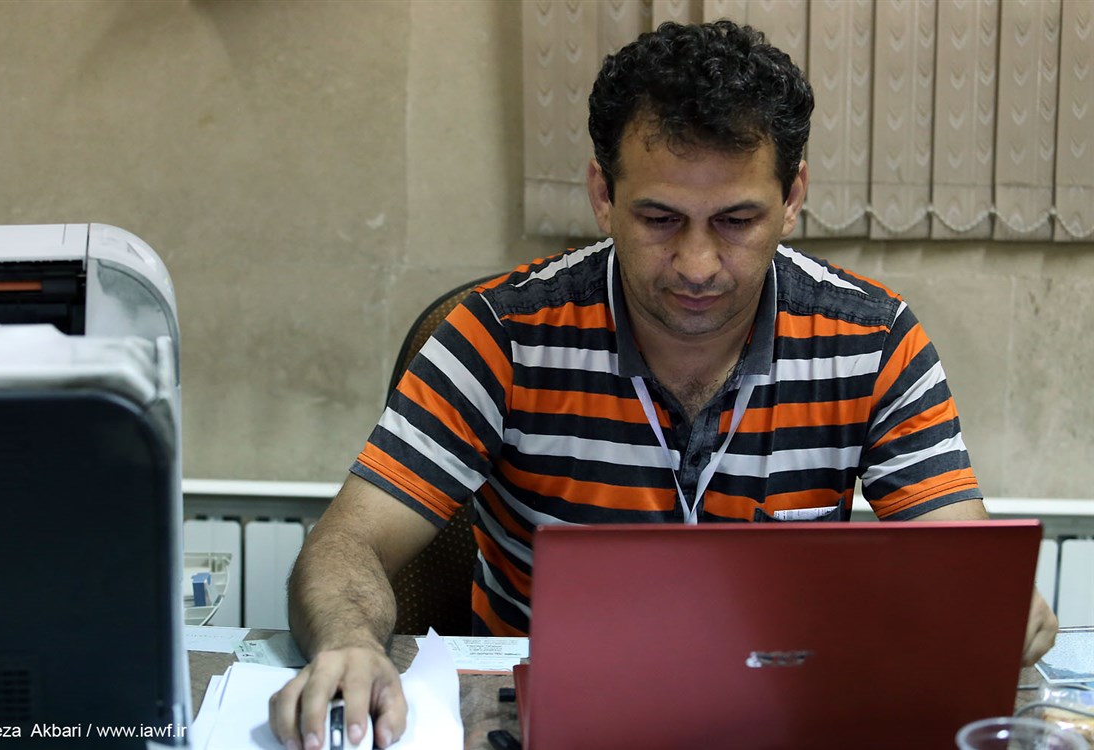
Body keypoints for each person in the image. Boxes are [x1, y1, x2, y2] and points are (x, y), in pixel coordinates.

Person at [269, 20, 1058, 750]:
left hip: (778, 710)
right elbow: (347, 542)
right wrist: (348, 641)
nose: (697, 266)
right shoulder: (501, 333)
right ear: (602, 195)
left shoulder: (872, 341)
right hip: (548, 719)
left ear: (792, 198)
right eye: (659, 220)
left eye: (736, 221)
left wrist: (996, 607)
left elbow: (964, 563)